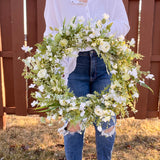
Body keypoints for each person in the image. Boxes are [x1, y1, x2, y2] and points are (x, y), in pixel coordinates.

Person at [44, 0, 130, 159]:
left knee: (106, 124)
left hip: (104, 62)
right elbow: (51, 32)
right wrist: (57, 71)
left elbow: (123, 24)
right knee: (74, 125)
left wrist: (98, 30)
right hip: (74, 65)